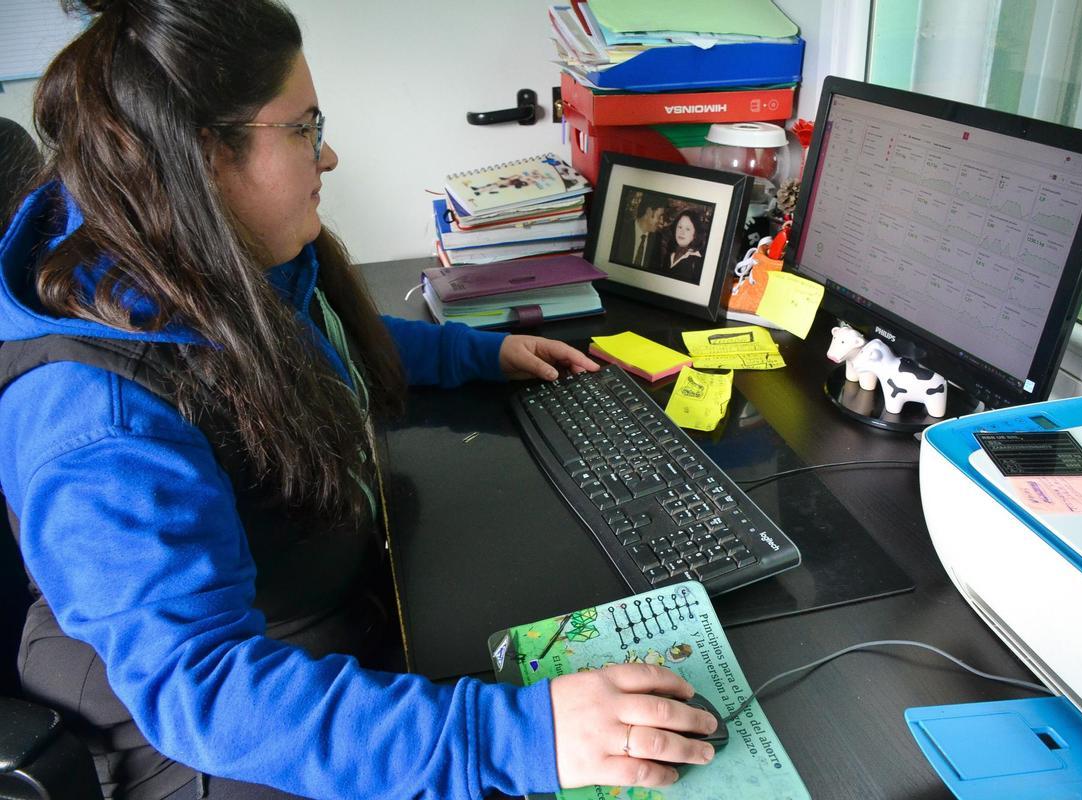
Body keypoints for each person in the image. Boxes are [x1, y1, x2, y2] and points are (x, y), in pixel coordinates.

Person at [0, 1, 719, 798]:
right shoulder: (97, 426)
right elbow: (205, 694)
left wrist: (471, 353)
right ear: (202, 157)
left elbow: (310, 337)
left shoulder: (189, 255)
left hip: (306, 627)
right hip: (210, 735)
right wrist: (514, 736)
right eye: (304, 128)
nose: (329, 154)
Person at [611, 193, 666, 270]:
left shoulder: (657, 239)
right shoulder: (621, 230)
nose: (662, 221)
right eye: (660, 216)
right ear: (649, 212)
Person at [658, 210, 707, 285]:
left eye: (687, 229)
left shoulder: (698, 263)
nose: (682, 232)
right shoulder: (669, 255)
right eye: (680, 227)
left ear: (695, 234)